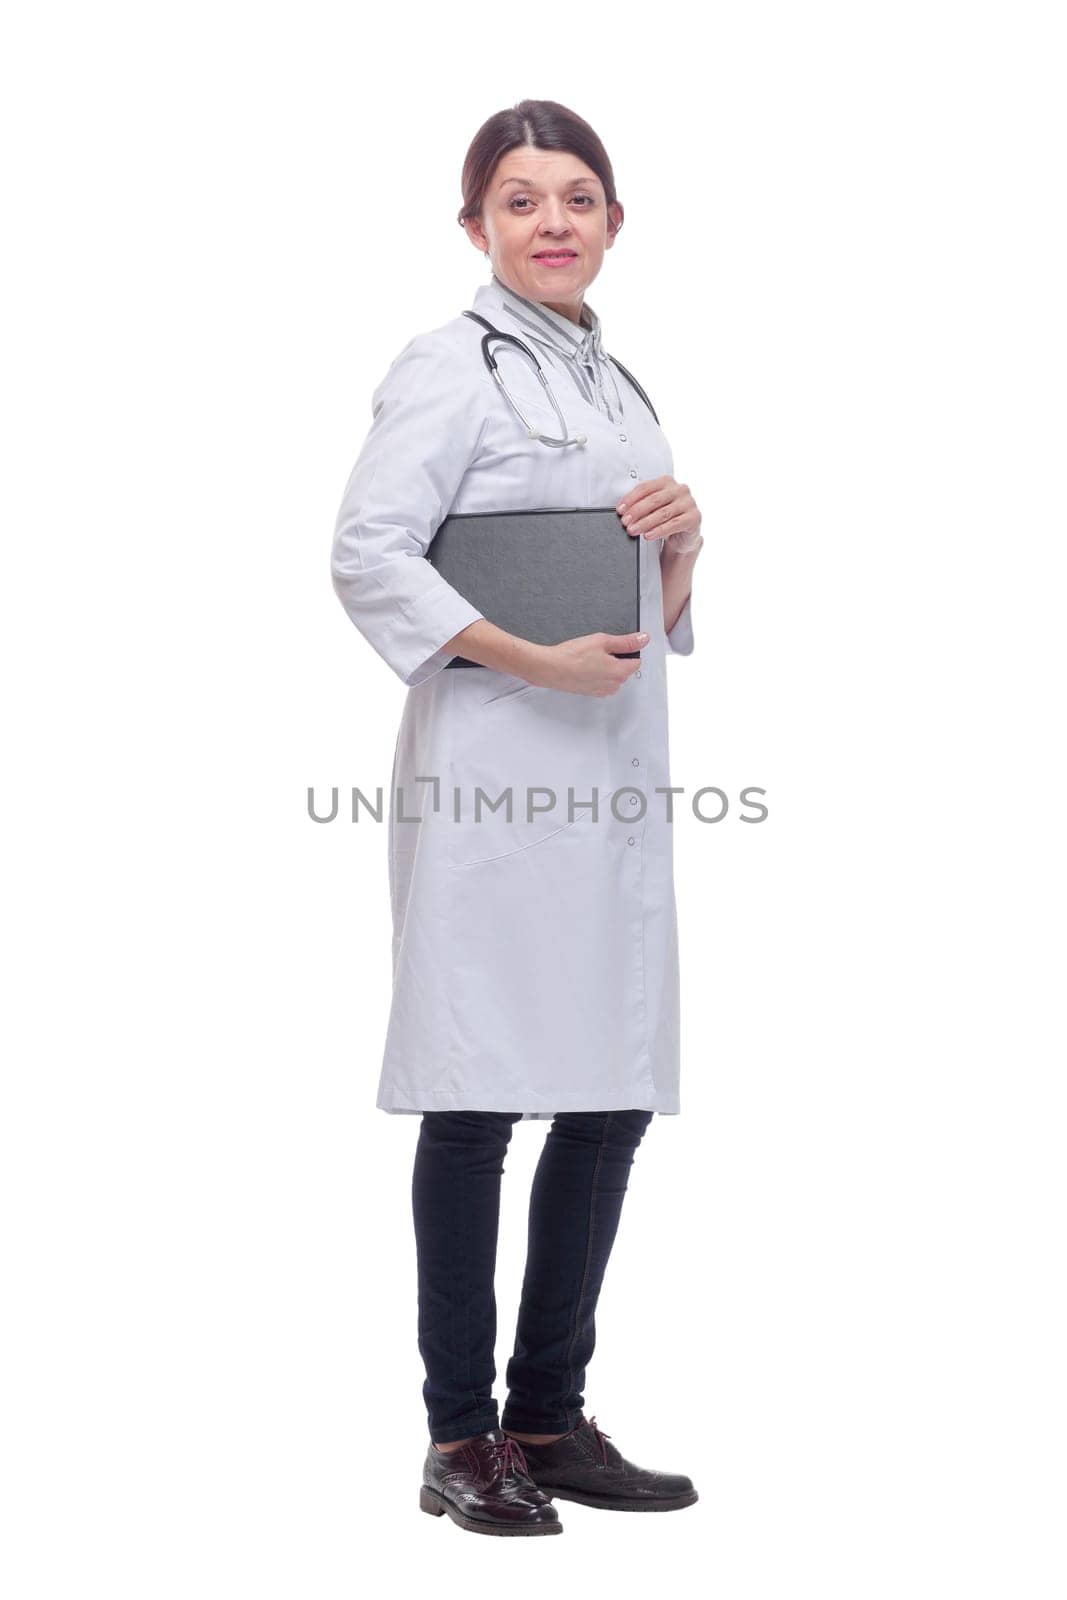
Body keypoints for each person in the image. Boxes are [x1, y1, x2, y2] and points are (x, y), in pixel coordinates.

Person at [330, 100, 704, 1537]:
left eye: (580, 198)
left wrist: (685, 545)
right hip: (496, 769)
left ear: (615, 220)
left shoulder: (622, 387)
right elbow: (368, 554)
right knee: (480, 1096)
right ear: (476, 225)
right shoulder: (449, 368)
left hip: (607, 775)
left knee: (608, 1096)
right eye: (520, 199)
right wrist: (524, 654)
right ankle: (457, 1436)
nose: (553, 221)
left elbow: (646, 611)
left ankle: (550, 1412)